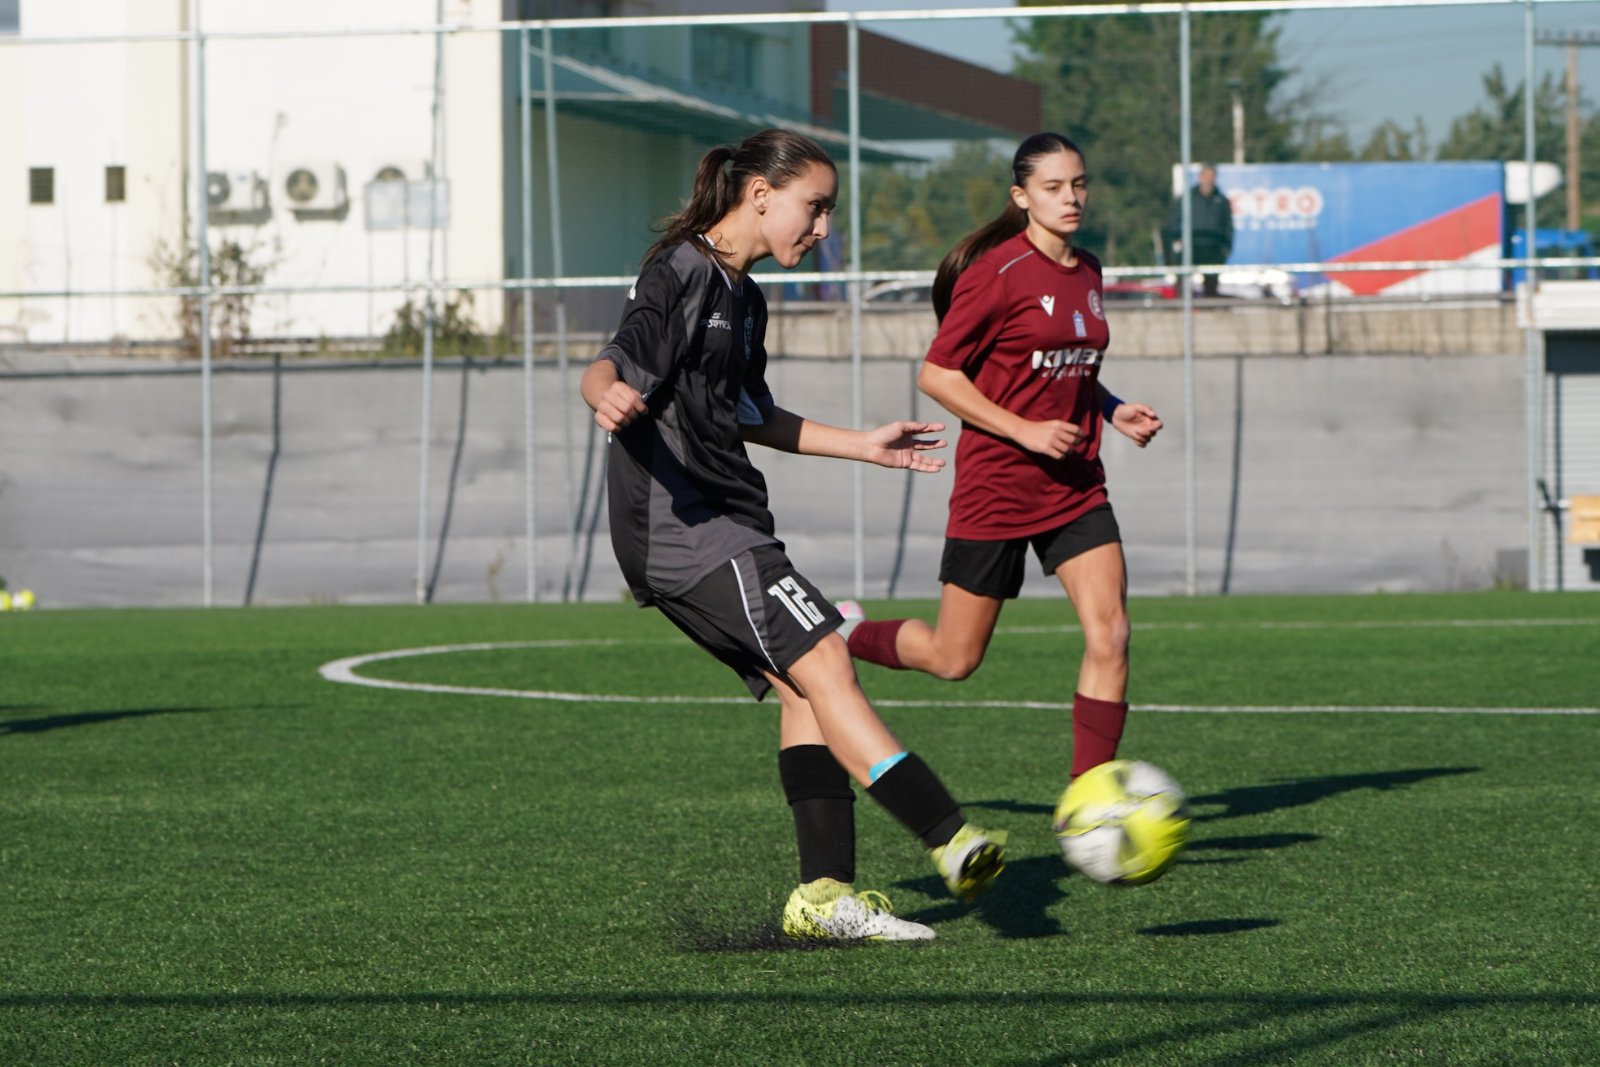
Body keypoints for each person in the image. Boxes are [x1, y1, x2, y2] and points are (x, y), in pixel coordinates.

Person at [579, 128, 1006, 944]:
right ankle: (949, 836)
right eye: (815, 208)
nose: (822, 228)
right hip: (684, 526)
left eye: (828, 212)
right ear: (760, 194)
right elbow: (609, 362)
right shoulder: (680, 270)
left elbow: (753, 416)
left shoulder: (746, 298)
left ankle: (823, 897)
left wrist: (863, 445)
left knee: (804, 687)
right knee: (827, 656)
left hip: (728, 521)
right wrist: (601, 394)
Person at [842, 132, 1163, 788]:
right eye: (1053, 187)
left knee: (1111, 634)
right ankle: (844, 634)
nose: (1071, 198)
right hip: (998, 487)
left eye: (1079, 184)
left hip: (1075, 485)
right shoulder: (997, 272)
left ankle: (1090, 802)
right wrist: (1023, 431)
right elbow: (938, 375)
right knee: (953, 658)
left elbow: (1064, 366)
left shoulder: (1090, 269)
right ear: (1021, 197)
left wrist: (1110, 407)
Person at [1162, 163, 1233, 297]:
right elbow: (1171, 222)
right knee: (1182, 278)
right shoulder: (1187, 198)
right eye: (1205, 176)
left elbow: (1228, 227)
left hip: (1213, 249)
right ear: (1199, 177)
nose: (1208, 180)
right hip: (1191, 246)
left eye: (1211, 177)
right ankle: (1182, 302)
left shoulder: (1221, 201)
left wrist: (1226, 248)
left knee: (1211, 284)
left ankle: (1210, 304)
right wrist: (1177, 239)